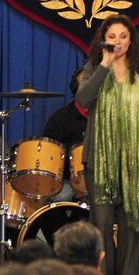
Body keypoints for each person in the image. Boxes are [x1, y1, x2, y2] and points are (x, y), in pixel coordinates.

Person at [76, 15, 139, 275]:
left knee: (133, 231)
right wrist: (105, 65)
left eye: (123, 36)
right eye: (113, 36)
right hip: (101, 163)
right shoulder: (95, 66)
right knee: (102, 228)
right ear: (104, 40)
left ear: (131, 41)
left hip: (135, 165)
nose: (117, 41)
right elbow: (83, 100)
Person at [41, 67, 89, 203]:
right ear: (76, 91)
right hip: (66, 180)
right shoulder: (60, 118)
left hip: (100, 180)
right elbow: (47, 155)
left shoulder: (104, 117)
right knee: (63, 196)